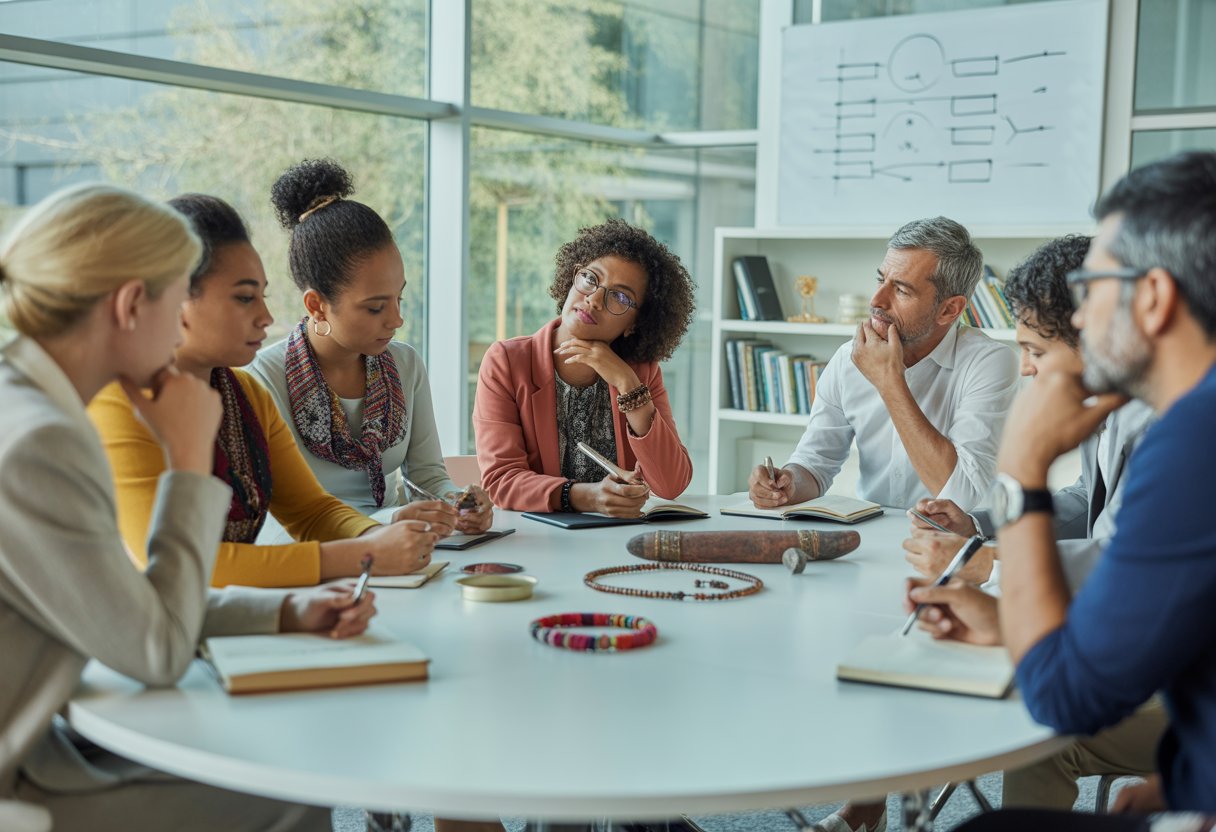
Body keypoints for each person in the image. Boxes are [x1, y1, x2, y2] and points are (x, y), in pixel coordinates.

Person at [0, 183, 375, 831]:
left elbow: (128, 603)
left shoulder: (27, 403)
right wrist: (186, 455)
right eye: (178, 299)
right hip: (23, 773)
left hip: (53, 727)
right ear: (130, 305)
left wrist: (283, 609)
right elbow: (158, 649)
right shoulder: (41, 442)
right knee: (294, 785)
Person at [912, 151, 1216, 824]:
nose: (1080, 313)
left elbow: (1066, 698)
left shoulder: (1195, 438)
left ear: (1155, 297)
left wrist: (1022, 471)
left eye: (1095, 282)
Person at [899, 236, 1163, 812]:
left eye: (1036, 349)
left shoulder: (1166, 423)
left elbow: (1113, 561)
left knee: (1043, 725)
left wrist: (986, 559)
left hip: (1179, 684)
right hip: (1143, 645)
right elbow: (1085, 502)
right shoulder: (1116, 404)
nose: (1025, 367)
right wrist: (980, 522)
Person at [89, 192, 438, 588]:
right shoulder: (115, 404)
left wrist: (382, 534)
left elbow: (310, 512)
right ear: (176, 298)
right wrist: (367, 552)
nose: (266, 317)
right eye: (244, 298)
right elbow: (185, 568)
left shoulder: (244, 395)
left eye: (263, 296)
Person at [248, 158, 492, 537]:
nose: (396, 320)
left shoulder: (405, 364)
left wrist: (459, 503)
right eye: (375, 307)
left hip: (401, 549)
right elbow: (279, 521)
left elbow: (426, 475)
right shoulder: (262, 379)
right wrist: (387, 522)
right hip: (313, 560)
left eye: (400, 298)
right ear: (316, 305)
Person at [748, 217, 1019, 517]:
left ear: (949, 309)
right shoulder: (847, 359)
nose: (877, 300)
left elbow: (960, 492)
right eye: (881, 280)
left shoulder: (990, 363)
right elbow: (815, 463)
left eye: (901, 291)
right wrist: (787, 484)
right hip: (869, 533)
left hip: (953, 541)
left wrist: (889, 382)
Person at [473, 218, 696, 516]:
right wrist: (586, 497)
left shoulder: (640, 372)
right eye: (591, 279)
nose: (593, 300)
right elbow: (501, 480)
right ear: (572, 276)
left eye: (619, 296)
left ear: (635, 324)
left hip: (618, 543)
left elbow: (671, 485)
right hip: (540, 541)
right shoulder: (506, 362)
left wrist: (628, 385)